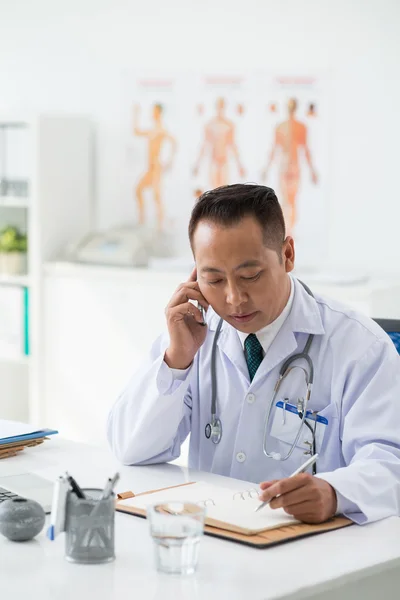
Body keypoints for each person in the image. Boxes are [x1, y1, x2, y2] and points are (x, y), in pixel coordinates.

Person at [107, 184, 400, 525]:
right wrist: (177, 360)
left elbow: (389, 461)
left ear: (287, 255)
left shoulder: (360, 346)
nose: (233, 298)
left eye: (251, 275)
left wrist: (335, 492)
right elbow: (131, 449)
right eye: (214, 279)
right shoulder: (191, 333)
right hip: (217, 538)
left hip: (311, 547)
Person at [261, 98, 318, 233]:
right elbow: (303, 150)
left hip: (287, 165)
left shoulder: (285, 126)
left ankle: (289, 230)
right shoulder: (296, 127)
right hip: (291, 165)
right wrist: (266, 169)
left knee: (288, 199)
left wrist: (266, 169)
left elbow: (303, 150)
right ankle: (289, 229)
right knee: (289, 199)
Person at [133, 104, 177, 231]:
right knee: (139, 190)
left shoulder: (161, 129)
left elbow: (174, 142)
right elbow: (136, 131)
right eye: (152, 111)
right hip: (150, 167)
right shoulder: (152, 130)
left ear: (159, 113)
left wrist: (169, 161)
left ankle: (161, 226)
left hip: (156, 167)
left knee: (157, 196)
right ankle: (142, 220)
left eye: (154, 111)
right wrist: (136, 114)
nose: (152, 113)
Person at [193, 97, 246, 188]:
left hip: (224, 161)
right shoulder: (210, 125)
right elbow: (205, 145)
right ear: (216, 107)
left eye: (222, 106)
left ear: (224, 107)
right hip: (213, 161)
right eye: (219, 106)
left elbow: (232, 145)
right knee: (213, 191)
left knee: (224, 190)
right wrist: (197, 164)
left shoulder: (229, 125)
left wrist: (239, 165)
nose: (220, 108)